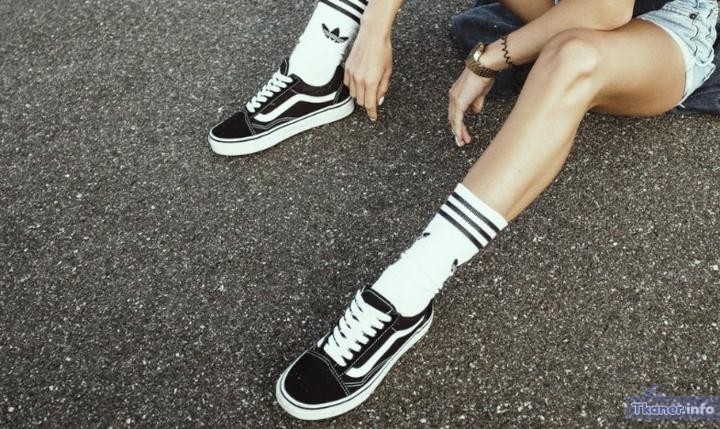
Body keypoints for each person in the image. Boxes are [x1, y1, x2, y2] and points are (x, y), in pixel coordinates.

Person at [209, 0, 718, 420]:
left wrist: (489, 58)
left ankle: (405, 292)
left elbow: (604, 12)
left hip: (665, 25)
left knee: (571, 57)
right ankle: (315, 73)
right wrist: (374, 29)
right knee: (562, 42)